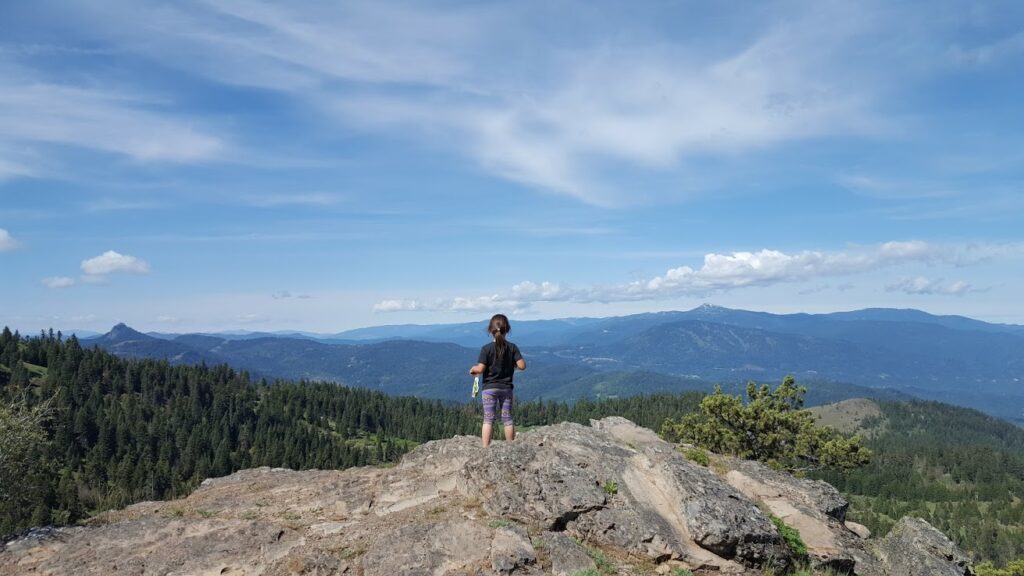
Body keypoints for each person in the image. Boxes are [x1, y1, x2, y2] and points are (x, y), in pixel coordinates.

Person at [469, 313, 526, 447]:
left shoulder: (486, 349)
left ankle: (485, 447)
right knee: (507, 417)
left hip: (489, 389)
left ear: (490, 330)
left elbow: (481, 369)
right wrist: (511, 364)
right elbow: (522, 366)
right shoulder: (512, 347)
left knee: (488, 419)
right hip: (506, 388)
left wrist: (473, 369)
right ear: (508, 330)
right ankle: (511, 447)